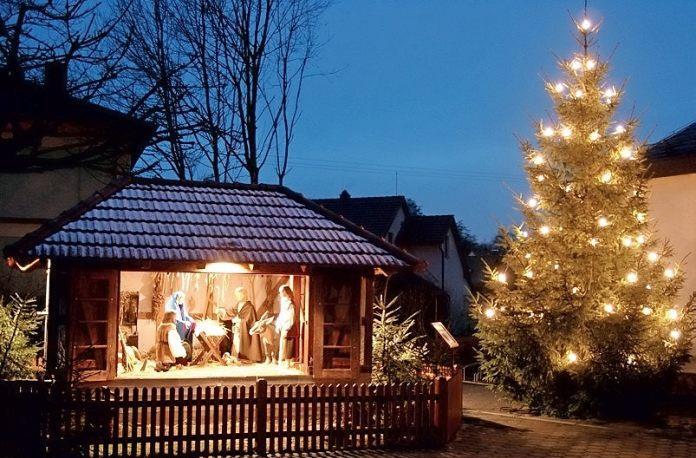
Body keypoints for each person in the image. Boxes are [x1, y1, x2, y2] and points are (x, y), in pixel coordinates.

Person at [227, 287, 263, 362]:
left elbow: (250, 321)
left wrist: (239, 321)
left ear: (244, 295)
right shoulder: (237, 305)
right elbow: (234, 314)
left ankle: (245, 357)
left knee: (241, 344)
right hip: (237, 329)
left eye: (238, 295)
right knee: (236, 343)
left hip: (245, 331)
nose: (237, 297)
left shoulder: (250, 307)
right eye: (236, 295)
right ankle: (236, 357)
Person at [276, 285, 296, 367]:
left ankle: (287, 361)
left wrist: (288, 326)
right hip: (283, 324)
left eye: (281, 292)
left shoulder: (290, 302)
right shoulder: (283, 301)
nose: (280, 294)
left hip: (288, 325)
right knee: (282, 343)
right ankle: (281, 360)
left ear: (285, 292)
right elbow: (282, 313)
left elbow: (291, 315)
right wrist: (278, 324)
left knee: (288, 344)